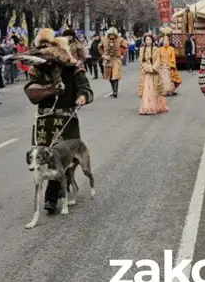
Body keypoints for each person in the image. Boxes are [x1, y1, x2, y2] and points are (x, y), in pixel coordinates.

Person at [24, 40, 93, 214]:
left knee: (63, 160)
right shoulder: (39, 70)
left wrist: (82, 96)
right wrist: (51, 91)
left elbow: (86, 89)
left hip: (66, 121)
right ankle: (55, 192)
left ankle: (52, 197)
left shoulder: (74, 69)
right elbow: (31, 93)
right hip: (44, 122)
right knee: (42, 158)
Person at [137, 34, 168, 115]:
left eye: (149, 40)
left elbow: (158, 60)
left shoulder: (156, 49)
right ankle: (146, 107)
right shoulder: (141, 49)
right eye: (146, 40)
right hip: (146, 73)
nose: (148, 41)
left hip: (153, 72)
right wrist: (146, 67)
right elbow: (141, 61)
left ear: (152, 41)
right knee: (146, 90)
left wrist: (152, 68)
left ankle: (155, 106)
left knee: (155, 89)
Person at [99, 27, 128, 97]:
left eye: (113, 34)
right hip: (107, 60)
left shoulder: (120, 40)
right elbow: (100, 47)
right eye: (111, 34)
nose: (112, 36)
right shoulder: (104, 39)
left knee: (115, 74)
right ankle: (113, 89)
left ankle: (115, 91)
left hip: (116, 59)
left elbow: (125, 47)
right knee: (109, 76)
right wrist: (103, 55)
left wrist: (122, 54)